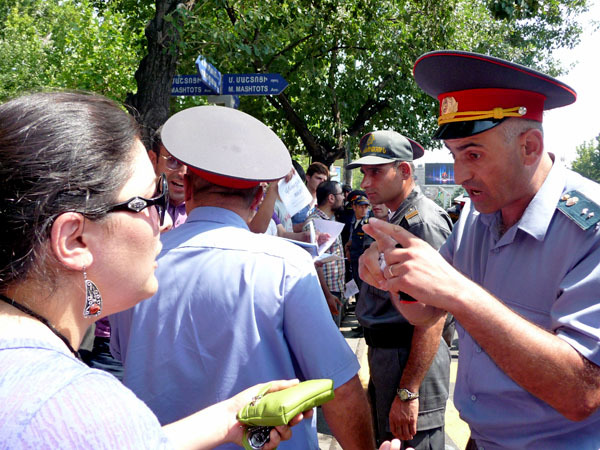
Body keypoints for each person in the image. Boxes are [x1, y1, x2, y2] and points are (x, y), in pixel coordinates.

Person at [0, 91, 311, 449]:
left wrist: (229, 418)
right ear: (75, 239)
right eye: (149, 200)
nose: (162, 219)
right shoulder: (80, 410)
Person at [360, 50, 600, 449]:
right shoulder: (477, 213)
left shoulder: (589, 229)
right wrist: (395, 275)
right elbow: (428, 310)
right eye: (454, 155)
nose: (459, 174)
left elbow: (583, 393)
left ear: (530, 147)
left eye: (474, 154)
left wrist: (460, 293)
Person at [110, 105, 375, 450]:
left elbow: (123, 356)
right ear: (259, 197)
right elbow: (341, 389)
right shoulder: (286, 266)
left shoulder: (139, 262)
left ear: (187, 187)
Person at [346, 130, 453, 449]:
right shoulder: (397, 217)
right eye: (364, 173)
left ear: (404, 170)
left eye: (376, 172)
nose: (365, 182)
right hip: (390, 358)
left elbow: (434, 316)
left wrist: (408, 391)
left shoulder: (420, 223)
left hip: (408, 360)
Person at [303, 180, 347, 318]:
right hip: (325, 293)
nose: (344, 197)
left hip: (335, 290)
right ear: (331, 198)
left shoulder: (329, 220)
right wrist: (327, 295)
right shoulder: (314, 224)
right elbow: (315, 263)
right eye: (341, 194)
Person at [149, 125, 188, 228]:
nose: (183, 173)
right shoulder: (136, 209)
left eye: (192, 166)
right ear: (153, 160)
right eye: (173, 161)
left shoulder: (210, 211)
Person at [291, 161, 329, 231]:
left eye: (324, 180)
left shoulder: (325, 202)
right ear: (308, 178)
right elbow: (281, 226)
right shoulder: (294, 198)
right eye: (318, 178)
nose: (322, 182)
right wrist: (305, 226)